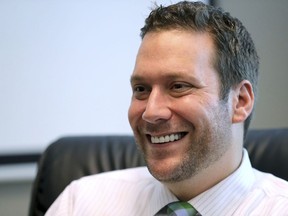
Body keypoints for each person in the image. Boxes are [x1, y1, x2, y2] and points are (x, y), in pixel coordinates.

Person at [45, 1, 288, 215]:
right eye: (141, 89)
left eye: (178, 86)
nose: (151, 112)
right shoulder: (81, 203)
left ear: (240, 102)